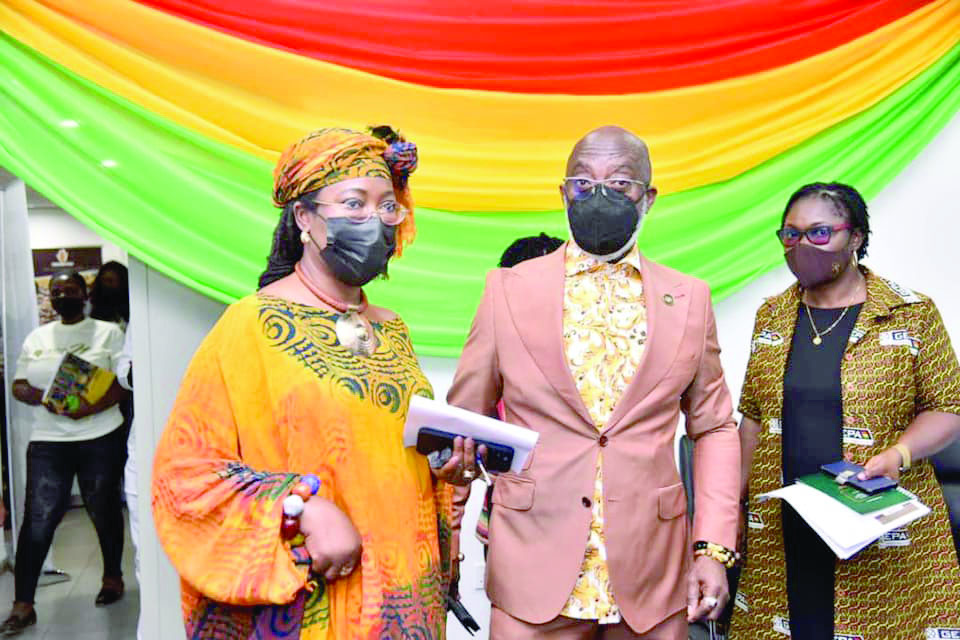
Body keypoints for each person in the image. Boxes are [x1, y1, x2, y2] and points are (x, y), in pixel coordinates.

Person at [151, 126, 477, 639]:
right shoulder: (250, 326)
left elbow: (388, 453)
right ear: (305, 217)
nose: (376, 220)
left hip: (405, 602)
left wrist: (446, 469)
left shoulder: (392, 329)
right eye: (354, 203)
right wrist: (299, 506)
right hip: (314, 607)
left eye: (387, 206)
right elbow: (185, 476)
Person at [447, 126, 741, 639]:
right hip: (531, 571)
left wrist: (712, 549)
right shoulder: (507, 291)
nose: (599, 196)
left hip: (652, 576)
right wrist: (445, 536)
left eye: (620, 184)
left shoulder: (690, 298)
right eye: (583, 183)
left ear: (648, 197)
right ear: (562, 194)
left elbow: (714, 429)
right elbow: (463, 427)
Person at [733, 182, 960, 639]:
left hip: (876, 536)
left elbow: (947, 407)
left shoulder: (910, 313)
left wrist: (898, 456)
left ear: (855, 237)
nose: (801, 247)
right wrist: (731, 508)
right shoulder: (772, 317)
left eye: (819, 233)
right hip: (782, 529)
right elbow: (753, 417)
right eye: (790, 235)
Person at [2, 271, 128, 635]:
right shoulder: (37, 337)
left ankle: (112, 577)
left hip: (99, 434)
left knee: (102, 509)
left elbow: (124, 383)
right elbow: (19, 384)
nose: (62, 297)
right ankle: (23, 604)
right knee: (37, 520)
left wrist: (91, 407)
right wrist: (45, 397)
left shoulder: (108, 332)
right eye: (56, 292)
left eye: (69, 290)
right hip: (48, 439)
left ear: (85, 293)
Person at [89, 261, 129, 328]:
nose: (106, 285)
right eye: (103, 281)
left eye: (110, 281)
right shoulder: (91, 308)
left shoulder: (132, 308)